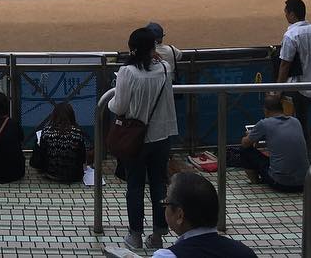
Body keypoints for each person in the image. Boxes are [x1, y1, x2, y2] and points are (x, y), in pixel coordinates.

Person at [109, 27, 178, 251]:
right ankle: (158, 235)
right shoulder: (165, 68)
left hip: (136, 139)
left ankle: (135, 236)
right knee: (158, 184)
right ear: (154, 48)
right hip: (161, 137)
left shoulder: (128, 72)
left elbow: (118, 106)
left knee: (135, 186)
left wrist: (109, 103)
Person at [152, 172, 258, 258]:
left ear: (180, 215)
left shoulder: (167, 256)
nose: (164, 207)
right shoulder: (245, 252)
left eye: (166, 202)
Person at [277, 0, 311, 151]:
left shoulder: (291, 35)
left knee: (293, 124)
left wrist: (278, 89)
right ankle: (304, 157)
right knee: (301, 121)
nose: (285, 15)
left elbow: (285, 64)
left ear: (292, 14)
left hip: (296, 87)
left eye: (286, 12)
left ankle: (301, 157)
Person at [238, 93, 307, 192]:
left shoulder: (264, 123)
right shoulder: (295, 121)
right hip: (304, 183)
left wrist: (250, 135)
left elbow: (245, 143)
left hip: (281, 183)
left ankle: (255, 182)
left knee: (245, 150)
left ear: (266, 110)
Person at [32, 102, 87, 183]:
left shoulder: (47, 131)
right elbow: (82, 158)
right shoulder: (77, 133)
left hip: (50, 174)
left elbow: (42, 154)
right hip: (73, 176)